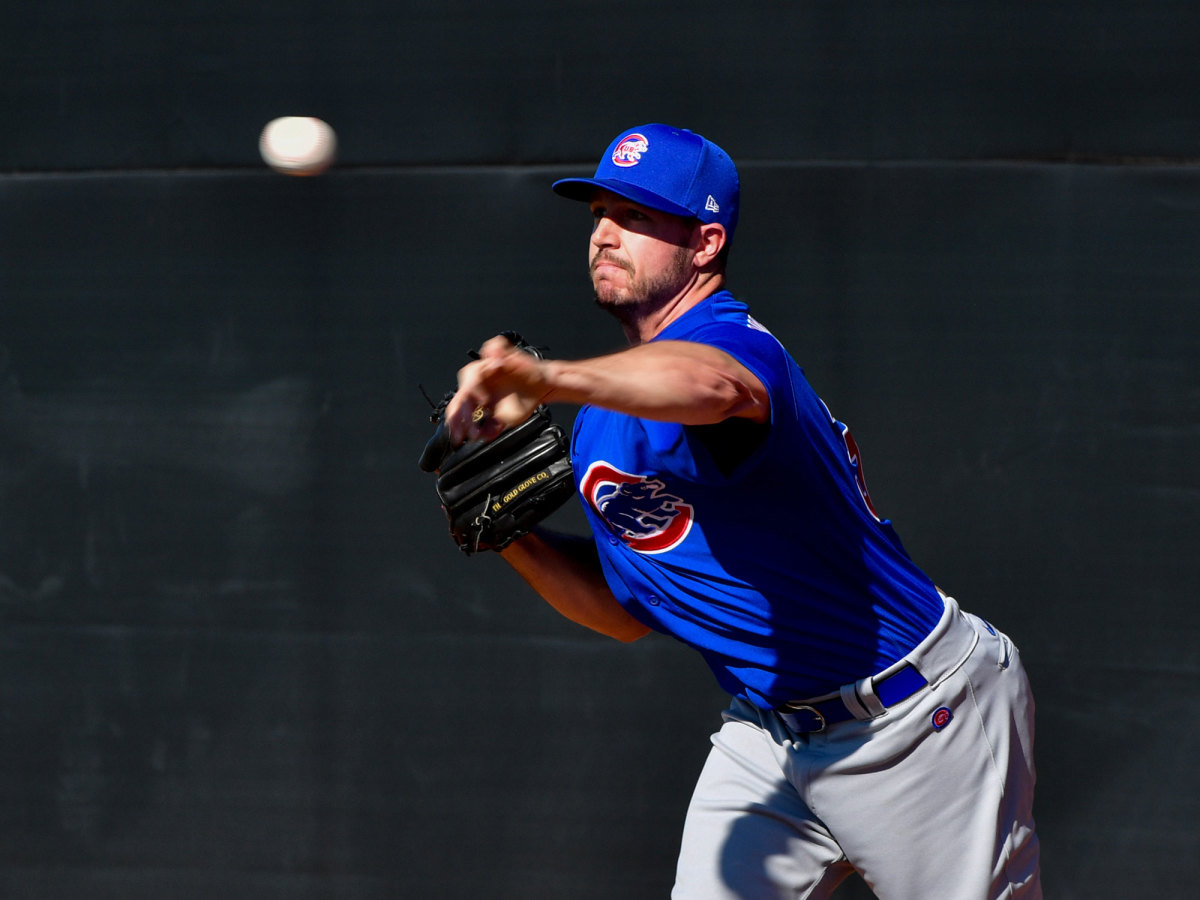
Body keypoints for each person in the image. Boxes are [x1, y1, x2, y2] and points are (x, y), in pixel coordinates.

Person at [441, 123, 1041, 899]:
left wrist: (547, 377)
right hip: (770, 733)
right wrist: (514, 538)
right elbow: (627, 608)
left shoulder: (735, 345)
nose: (605, 235)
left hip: (919, 722)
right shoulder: (599, 422)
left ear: (706, 243)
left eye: (639, 217)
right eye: (598, 214)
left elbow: (712, 387)